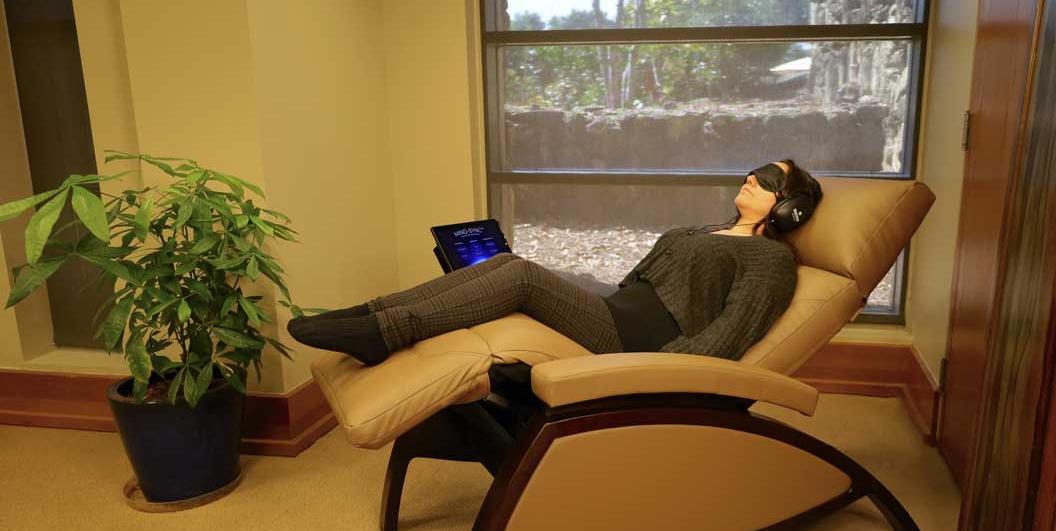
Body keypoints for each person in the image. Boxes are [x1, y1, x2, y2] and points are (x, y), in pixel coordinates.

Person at [287, 160, 823, 366]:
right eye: (754, 171)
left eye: (769, 179)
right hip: (615, 311)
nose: (752, 178)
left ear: (789, 205)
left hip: (635, 344)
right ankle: (366, 314)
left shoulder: (770, 260)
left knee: (517, 277)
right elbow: (637, 282)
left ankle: (386, 331)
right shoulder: (709, 231)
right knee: (506, 264)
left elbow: (730, 335)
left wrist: (661, 373)